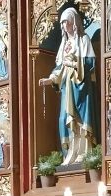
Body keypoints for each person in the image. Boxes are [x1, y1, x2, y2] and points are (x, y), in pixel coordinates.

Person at [38, 7, 99, 165]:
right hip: (67, 87)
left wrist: (72, 63)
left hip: (81, 87)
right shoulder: (63, 45)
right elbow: (59, 68)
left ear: (74, 23)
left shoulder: (83, 40)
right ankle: (70, 153)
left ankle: (85, 153)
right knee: (64, 118)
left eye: (67, 22)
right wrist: (50, 79)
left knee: (80, 119)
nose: (64, 25)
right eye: (62, 23)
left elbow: (90, 63)